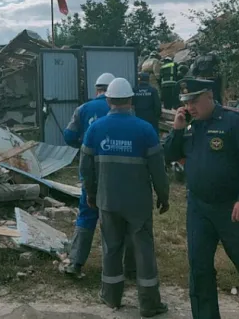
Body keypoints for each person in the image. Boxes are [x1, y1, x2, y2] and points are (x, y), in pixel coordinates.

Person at [163, 78, 239, 319]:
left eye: (194, 101)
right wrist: (178, 128)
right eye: (186, 102)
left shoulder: (234, 121)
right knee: (200, 267)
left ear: (209, 96)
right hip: (199, 207)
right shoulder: (191, 126)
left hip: (231, 208)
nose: (190, 107)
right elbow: (170, 154)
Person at [80, 77, 170, 317]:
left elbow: (85, 167)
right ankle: (149, 304)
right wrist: (164, 196)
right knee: (144, 251)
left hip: (108, 201)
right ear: (130, 100)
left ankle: (111, 297)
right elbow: (158, 170)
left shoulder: (95, 129)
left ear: (108, 100)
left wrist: (91, 193)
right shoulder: (145, 129)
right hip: (138, 204)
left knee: (111, 248)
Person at [63, 73, 136, 276]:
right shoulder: (127, 111)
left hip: (91, 173)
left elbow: (68, 135)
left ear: (97, 89)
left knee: (87, 215)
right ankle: (127, 268)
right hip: (120, 174)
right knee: (123, 219)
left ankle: (75, 263)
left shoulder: (83, 109)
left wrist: (84, 145)